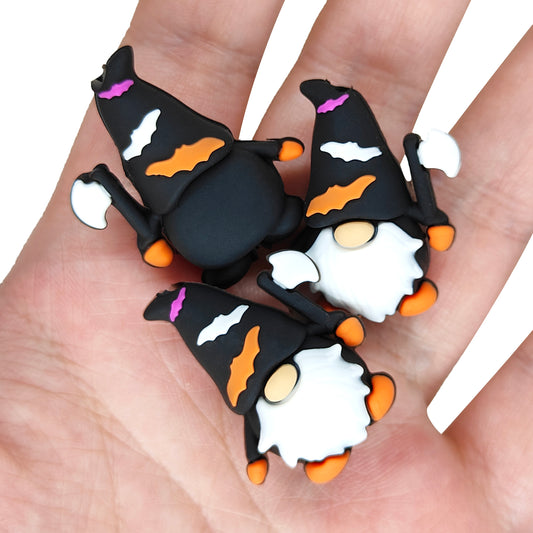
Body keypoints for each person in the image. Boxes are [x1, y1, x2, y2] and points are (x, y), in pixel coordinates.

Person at [0, 1, 531, 530]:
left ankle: (193, 289)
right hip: (262, 227)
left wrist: (276, 172)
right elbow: (302, 312)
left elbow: (302, 322)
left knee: (257, 247)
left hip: (270, 232)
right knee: (257, 245)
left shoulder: (295, 319)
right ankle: (193, 284)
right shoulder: (240, 201)